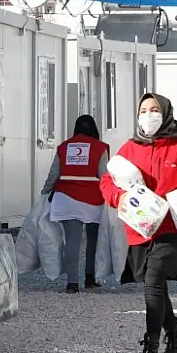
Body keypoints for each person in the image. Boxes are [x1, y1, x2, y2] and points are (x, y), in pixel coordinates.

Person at [100, 93, 177, 353]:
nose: (148, 115)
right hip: (139, 230)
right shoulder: (130, 147)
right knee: (156, 286)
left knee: (153, 281)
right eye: (143, 110)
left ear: (165, 114)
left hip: (171, 229)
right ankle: (175, 334)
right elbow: (107, 180)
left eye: (154, 110)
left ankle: (149, 351)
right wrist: (117, 197)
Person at [41, 115, 109, 293]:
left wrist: (45, 191)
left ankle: (72, 283)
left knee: (72, 241)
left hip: (66, 197)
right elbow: (104, 176)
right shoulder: (100, 148)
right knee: (94, 239)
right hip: (94, 199)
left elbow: (53, 174)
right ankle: (90, 277)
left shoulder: (64, 147)